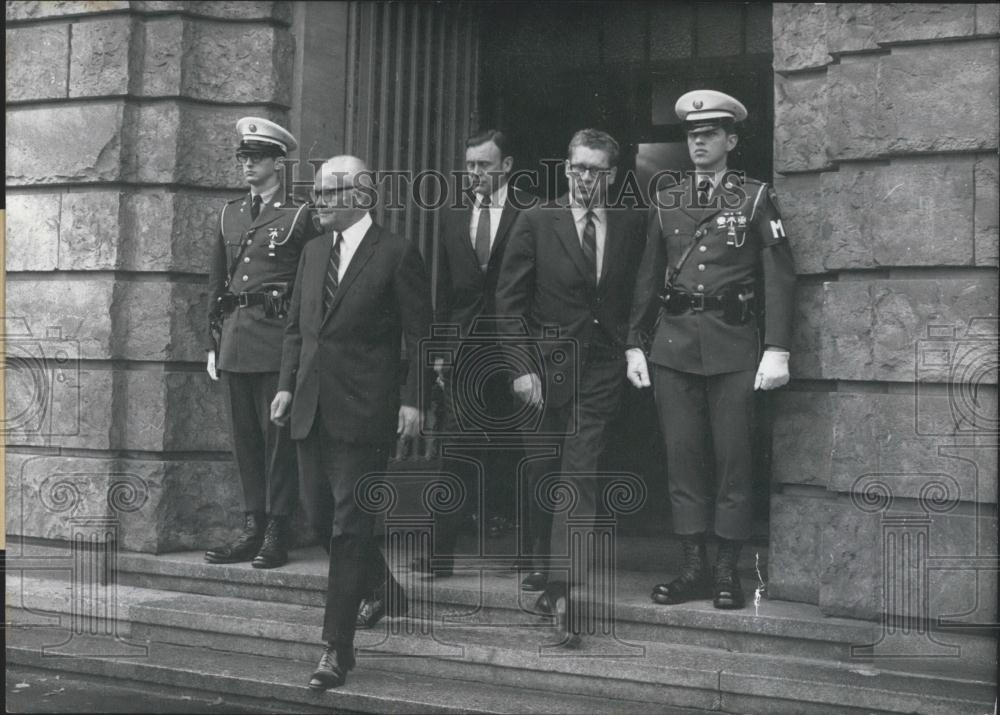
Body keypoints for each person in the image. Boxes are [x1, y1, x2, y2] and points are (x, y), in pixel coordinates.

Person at [626, 90, 795, 610]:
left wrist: (777, 348)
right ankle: (693, 568)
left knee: (733, 462)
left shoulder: (754, 197)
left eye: (709, 134)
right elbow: (648, 276)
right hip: (674, 348)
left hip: (733, 348)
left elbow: (779, 277)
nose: (698, 142)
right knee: (683, 460)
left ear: (731, 140)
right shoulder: (668, 198)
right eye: (692, 135)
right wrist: (635, 342)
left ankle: (727, 572)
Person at [270, 156, 432, 690]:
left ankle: (335, 649)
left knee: (347, 526)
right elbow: (297, 328)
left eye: (327, 195)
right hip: (310, 407)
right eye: (316, 193)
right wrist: (286, 386)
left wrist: (413, 401)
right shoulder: (315, 252)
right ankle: (384, 588)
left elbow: (420, 335)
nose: (317, 203)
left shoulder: (396, 254)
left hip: (365, 411)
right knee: (318, 519)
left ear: (361, 197)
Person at [495, 129, 646, 643]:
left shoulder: (629, 223)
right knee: (544, 471)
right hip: (542, 371)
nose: (587, 179)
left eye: (598, 171)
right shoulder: (536, 221)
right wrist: (520, 367)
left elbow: (635, 295)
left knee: (579, 473)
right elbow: (509, 304)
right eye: (579, 168)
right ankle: (543, 563)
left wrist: (632, 347)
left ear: (612, 175)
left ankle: (561, 591)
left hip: (601, 371)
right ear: (565, 168)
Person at [416, 129, 533, 577]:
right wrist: (441, 353)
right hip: (464, 350)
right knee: (454, 451)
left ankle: (530, 552)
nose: (476, 173)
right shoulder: (452, 215)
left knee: (520, 450)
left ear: (506, 166)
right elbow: (444, 291)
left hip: (516, 348)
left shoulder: (532, 212)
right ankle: (440, 553)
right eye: (470, 165)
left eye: (484, 165)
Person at [204, 117, 318, 569]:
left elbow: (312, 280)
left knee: (278, 440)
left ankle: (277, 529)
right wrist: (212, 342)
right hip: (234, 340)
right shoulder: (230, 212)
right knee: (245, 440)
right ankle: (252, 525)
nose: (248, 166)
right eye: (244, 158)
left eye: (257, 158)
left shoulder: (299, 215)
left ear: (278, 162)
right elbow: (216, 282)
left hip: (275, 342)